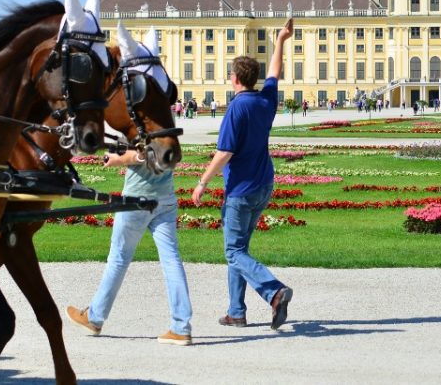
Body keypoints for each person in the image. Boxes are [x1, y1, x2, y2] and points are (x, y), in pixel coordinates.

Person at [192, 17, 294, 330]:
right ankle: (236, 311)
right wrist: (280, 40)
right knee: (239, 249)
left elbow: (224, 152)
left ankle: (274, 291)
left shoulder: (236, 108)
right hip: (264, 184)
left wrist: (202, 183)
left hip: (241, 189)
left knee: (234, 251)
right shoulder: (266, 100)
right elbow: (276, 71)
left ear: (235, 78)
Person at [66, 148, 193, 345]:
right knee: (171, 259)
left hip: (136, 199)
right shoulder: (166, 121)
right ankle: (181, 327)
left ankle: (95, 317)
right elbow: (174, 156)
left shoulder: (140, 123)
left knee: (118, 258)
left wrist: (116, 158)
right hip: (166, 198)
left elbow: (135, 156)